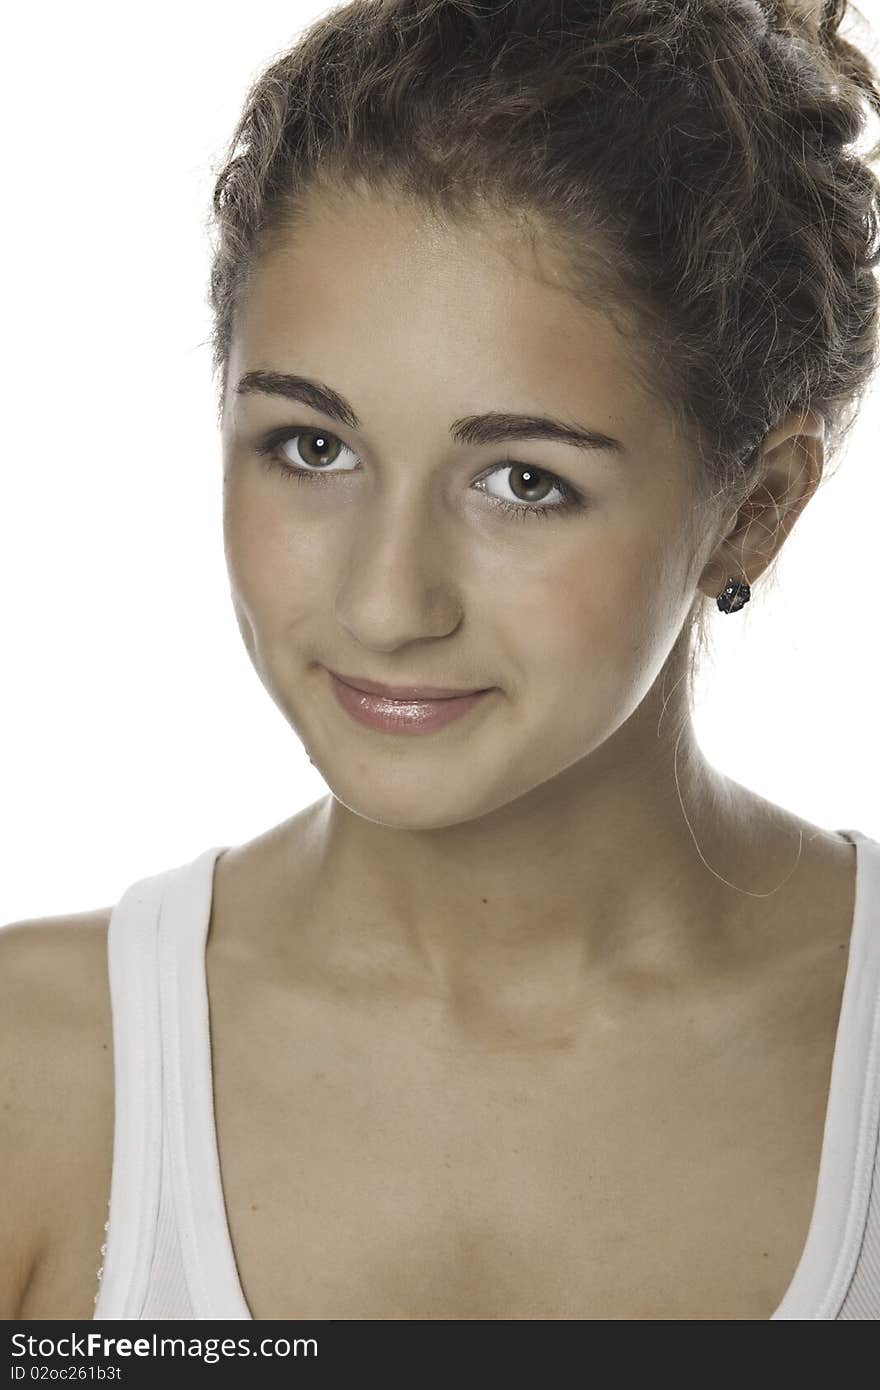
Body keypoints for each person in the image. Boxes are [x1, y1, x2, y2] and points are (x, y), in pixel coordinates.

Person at [3, 0, 880, 1322]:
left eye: (524, 479)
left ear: (754, 507)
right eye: (314, 447)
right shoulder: (40, 1074)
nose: (385, 599)